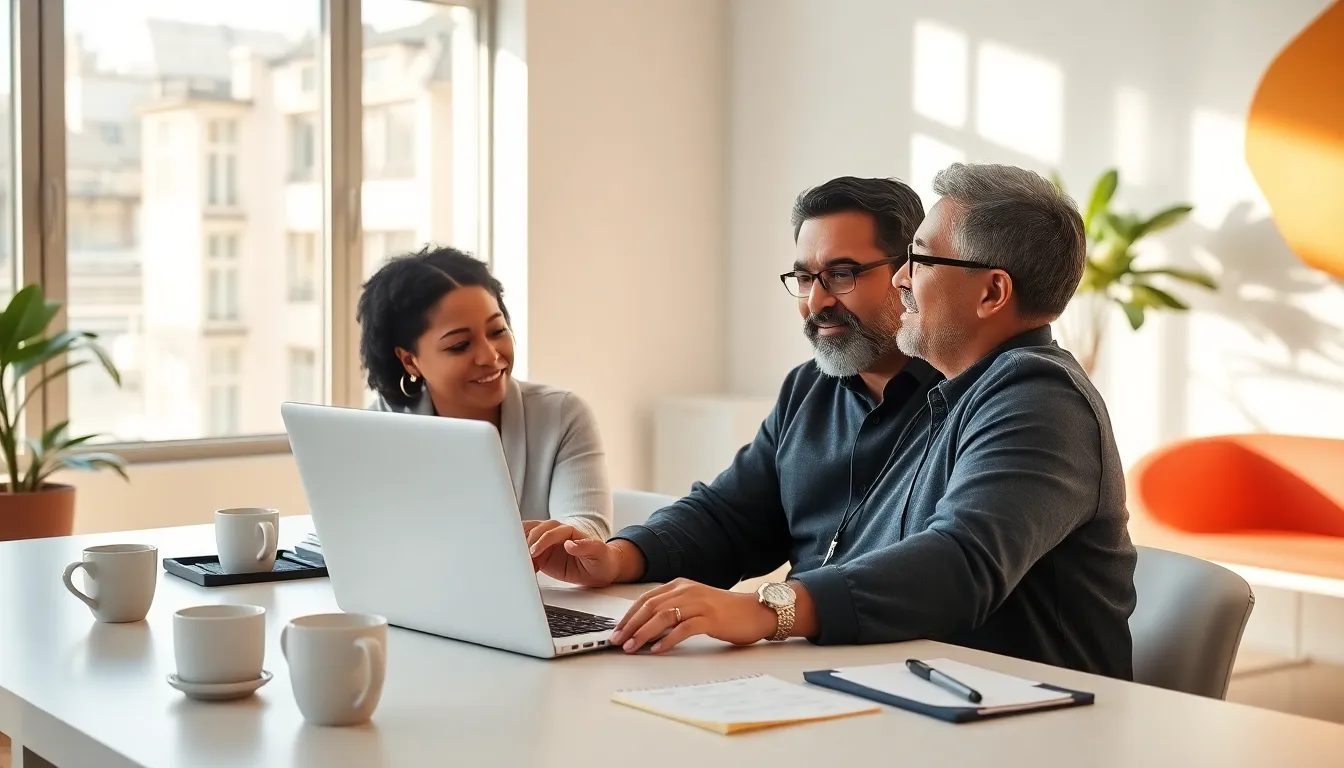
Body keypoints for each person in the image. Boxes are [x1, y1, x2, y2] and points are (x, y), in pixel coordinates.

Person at [531, 164, 1139, 681]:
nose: (905, 280)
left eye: (918, 262)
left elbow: (959, 562)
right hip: (875, 682)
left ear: (991, 293)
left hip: (1016, 716)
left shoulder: (1038, 397)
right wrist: (617, 556)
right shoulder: (853, 391)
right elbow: (733, 515)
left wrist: (772, 609)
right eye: (804, 276)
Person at [358, 245, 613, 543]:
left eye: (497, 331)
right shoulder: (382, 425)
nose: (490, 356)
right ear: (410, 360)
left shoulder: (561, 416)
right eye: (460, 345)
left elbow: (586, 529)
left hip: (544, 589)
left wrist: (566, 538)